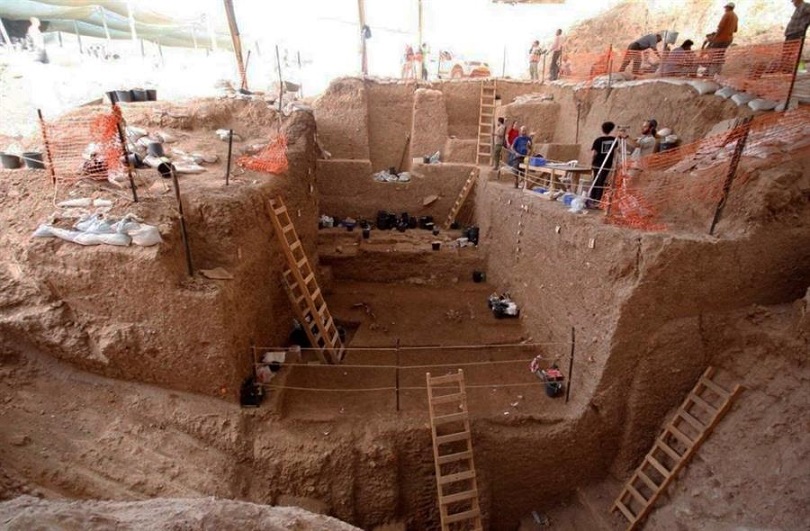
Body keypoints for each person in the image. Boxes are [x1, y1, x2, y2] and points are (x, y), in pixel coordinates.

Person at [589, 121, 619, 206]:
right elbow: (615, 152)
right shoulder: (614, 140)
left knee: (595, 180)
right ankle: (597, 199)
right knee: (601, 181)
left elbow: (594, 153)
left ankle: (593, 198)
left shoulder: (598, 140)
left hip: (597, 163)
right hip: (607, 164)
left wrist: (591, 163)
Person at [705, 2, 738, 75]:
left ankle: (708, 71)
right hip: (729, 39)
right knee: (720, 55)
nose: (725, 9)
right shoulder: (736, 16)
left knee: (712, 54)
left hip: (721, 38)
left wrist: (715, 37)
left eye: (725, 7)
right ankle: (717, 72)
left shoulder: (726, 14)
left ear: (728, 7)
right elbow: (735, 30)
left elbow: (720, 27)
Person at [783, 0, 810, 72]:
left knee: (795, 52)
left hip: (797, 33)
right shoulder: (798, 8)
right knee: (787, 52)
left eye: (793, 1)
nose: (793, 3)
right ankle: (788, 68)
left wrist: (804, 26)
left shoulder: (805, 6)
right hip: (790, 33)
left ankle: (799, 69)